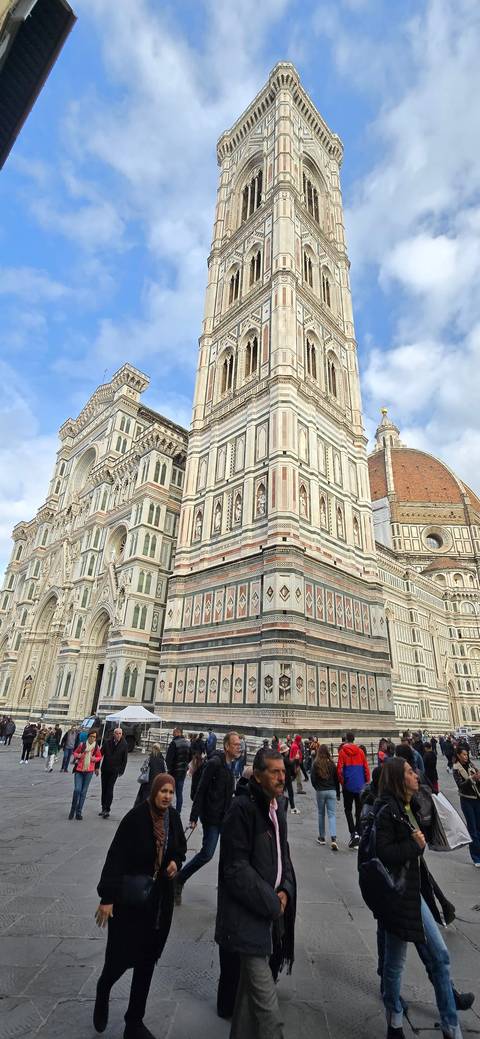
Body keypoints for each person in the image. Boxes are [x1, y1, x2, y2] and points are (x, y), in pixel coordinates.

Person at [363, 757, 465, 1039]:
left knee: (437, 957)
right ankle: (395, 1019)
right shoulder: (387, 811)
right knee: (397, 963)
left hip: (411, 892)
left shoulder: (408, 807)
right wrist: (413, 844)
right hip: (398, 895)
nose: (416, 774)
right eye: (410, 772)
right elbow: (384, 852)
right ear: (399, 779)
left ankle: (449, 1024)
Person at [94, 773, 187, 1039]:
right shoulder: (134, 819)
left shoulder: (174, 819)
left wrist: (175, 864)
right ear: (154, 791)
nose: (168, 796)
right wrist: (107, 898)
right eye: (163, 791)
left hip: (158, 905)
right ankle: (104, 987)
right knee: (118, 960)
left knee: (147, 963)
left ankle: (134, 1022)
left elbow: (179, 849)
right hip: (129, 904)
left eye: (171, 792)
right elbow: (115, 857)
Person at [215, 748, 296, 1038]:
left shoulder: (277, 808)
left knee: (247, 1002)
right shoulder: (242, 809)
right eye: (275, 772)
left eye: (283, 772)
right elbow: (235, 869)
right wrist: (273, 903)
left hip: (267, 917)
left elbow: (282, 855)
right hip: (248, 918)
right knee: (269, 1016)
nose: (281, 777)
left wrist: (285, 887)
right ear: (258, 776)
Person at [174, 731, 241, 904]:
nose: (239, 747)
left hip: (224, 818)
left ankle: (226, 891)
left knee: (228, 855)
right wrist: (194, 816)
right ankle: (180, 878)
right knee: (207, 854)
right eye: (235, 744)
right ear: (226, 746)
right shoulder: (215, 763)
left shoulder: (230, 764)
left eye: (239, 744)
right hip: (211, 817)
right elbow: (201, 789)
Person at [337, 730, 370, 848]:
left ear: (346, 739)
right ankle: (359, 833)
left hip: (348, 786)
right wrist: (366, 783)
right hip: (360, 786)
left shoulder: (342, 752)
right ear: (354, 739)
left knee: (348, 809)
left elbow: (340, 770)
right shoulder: (361, 752)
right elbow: (366, 769)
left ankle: (353, 833)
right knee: (359, 811)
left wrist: (343, 783)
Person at [452, 745, 480, 868]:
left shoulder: (471, 765)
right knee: (472, 829)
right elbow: (460, 785)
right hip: (467, 800)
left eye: (467, 754)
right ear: (458, 755)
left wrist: (478, 777)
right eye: (463, 754)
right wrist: (471, 778)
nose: (466, 756)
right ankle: (476, 856)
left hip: (477, 799)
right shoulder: (456, 768)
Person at [310, 744, 340, 850]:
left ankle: (322, 837)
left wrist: (317, 787)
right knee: (331, 815)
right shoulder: (331, 763)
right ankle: (333, 838)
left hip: (321, 791)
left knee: (321, 814)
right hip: (331, 790)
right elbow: (337, 779)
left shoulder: (316, 763)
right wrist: (338, 793)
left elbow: (312, 778)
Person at [69, 731, 102, 820]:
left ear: (96, 738)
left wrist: (94, 759)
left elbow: (100, 757)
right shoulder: (82, 745)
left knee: (83, 792)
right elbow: (75, 752)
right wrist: (79, 755)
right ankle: (73, 809)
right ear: (88, 737)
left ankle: (79, 812)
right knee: (77, 790)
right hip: (79, 770)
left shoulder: (96, 747)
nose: (92, 738)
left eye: (94, 737)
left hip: (89, 771)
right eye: (91, 736)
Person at [99, 727, 128, 819]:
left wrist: (121, 770)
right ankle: (103, 807)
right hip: (105, 769)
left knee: (110, 788)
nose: (118, 735)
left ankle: (107, 809)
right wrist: (96, 766)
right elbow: (100, 754)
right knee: (104, 788)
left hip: (115, 770)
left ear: (122, 734)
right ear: (114, 734)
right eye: (117, 733)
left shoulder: (124, 744)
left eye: (120, 733)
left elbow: (125, 759)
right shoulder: (107, 743)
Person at [165, 726, 191, 815]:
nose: (172, 733)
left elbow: (169, 759)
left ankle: (168, 810)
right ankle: (178, 812)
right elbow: (190, 758)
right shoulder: (188, 743)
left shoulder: (174, 743)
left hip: (174, 771)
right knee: (179, 793)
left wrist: (167, 769)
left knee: (169, 791)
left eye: (174, 732)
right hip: (182, 772)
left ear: (178, 732)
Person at [281, 743, 299, 814]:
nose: (288, 751)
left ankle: (291, 807)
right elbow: (291, 763)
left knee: (283, 792)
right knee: (290, 793)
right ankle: (292, 807)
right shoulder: (284, 759)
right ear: (285, 752)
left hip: (285, 777)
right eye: (287, 750)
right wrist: (296, 758)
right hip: (286, 777)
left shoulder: (283, 758)